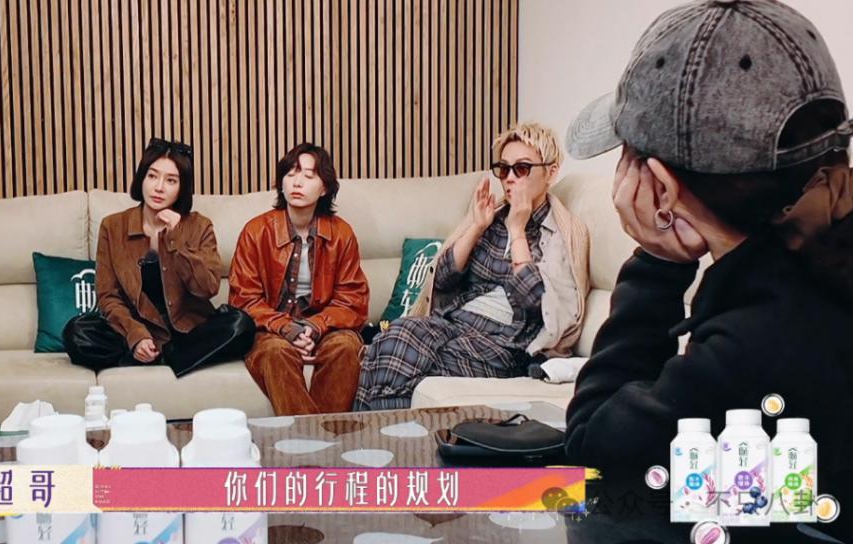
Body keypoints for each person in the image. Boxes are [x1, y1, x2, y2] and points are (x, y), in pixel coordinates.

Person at [563, 1, 852, 541]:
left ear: (661, 188)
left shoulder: (758, 341)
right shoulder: (811, 279)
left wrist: (656, 261)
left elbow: (595, 456)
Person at [354, 122, 590, 411]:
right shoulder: (493, 216)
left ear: (551, 172)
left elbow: (538, 304)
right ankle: (387, 435)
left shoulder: (561, 233)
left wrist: (517, 230)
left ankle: (371, 434)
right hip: (455, 324)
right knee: (394, 336)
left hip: (506, 345)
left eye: (522, 168)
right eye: (504, 169)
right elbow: (441, 280)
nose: (510, 178)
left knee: (394, 351)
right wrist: (477, 227)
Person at [63, 138, 255, 376]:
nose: (159, 187)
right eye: (152, 176)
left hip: (189, 332)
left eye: (171, 180)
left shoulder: (199, 225)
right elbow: (108, 296)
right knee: (76, 332)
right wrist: (135, 336)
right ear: (142, 178)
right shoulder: (113, 227)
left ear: (182, 187)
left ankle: (163, 357)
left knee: (241, 325)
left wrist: (175, 239)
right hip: (138, 330)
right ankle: (159, 355)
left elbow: (208, 288)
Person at [230, 143, 369, 416]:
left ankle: (311, 438)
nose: (297, 182)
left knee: (345, 347)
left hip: (326, 328)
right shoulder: (256, 231)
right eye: (291, 174)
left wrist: (314, 327)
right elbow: (243, 298)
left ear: (324, 188)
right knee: (276, 353)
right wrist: (286, 328)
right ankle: (320, 438)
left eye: (308, 175)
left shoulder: (342, 234)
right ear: (281, 183)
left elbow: (352, 299)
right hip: (270, 329)